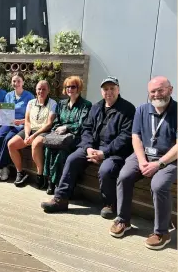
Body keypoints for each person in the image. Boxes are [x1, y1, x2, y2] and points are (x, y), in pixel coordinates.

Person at [41, 76, 135, 218]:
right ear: (101, 91)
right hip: (92, 148)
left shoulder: (128, 109)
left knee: (106, 169)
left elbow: (125, 137)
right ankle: (61, 198)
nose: (108, 92)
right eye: (105, 89)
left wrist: (104, 152)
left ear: (118, 89)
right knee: (72, 159)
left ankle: (109, 203)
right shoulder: (97, 107)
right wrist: (88, 147)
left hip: (113, 151)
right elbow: (87, 129)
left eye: (112, 88)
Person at [109, 76, 177, 250]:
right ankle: (123, 220)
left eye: (160, 90)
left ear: (170, 90)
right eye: (152, 91)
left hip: (169, 159)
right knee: (124, 175)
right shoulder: (141, 110)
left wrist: (159, 164)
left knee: (158, 185)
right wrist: (141, 160)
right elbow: (136, 137)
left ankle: (162, 232)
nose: (156, 94)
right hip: (144, 155)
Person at [43, 76, 92, 194]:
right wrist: (57, 129)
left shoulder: (86, 105)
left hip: (74, 137)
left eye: (73, 86)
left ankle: (59, 183)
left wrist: (66, 127)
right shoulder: (62, 103)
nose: (70, 89)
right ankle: (50, 181)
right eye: (68, 87)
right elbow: (56, 121)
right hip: (59, 135)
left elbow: (82, 124)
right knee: (48, 148)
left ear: (78, 88)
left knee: (61, 153)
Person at [7, 80, 57, 188]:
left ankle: (40, 174)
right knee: (11, 144)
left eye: (44, 89)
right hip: (30, 131)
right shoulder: (31, 103)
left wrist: (33, 136)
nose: (41, 91)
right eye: (39, 89)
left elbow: (49, 124)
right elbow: (28, 121)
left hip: (44, 131)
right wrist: (26, 134)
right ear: (36, 90)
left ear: (48, 90)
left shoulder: (53, 104)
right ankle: (20, 172)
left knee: (35, 144)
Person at [0, 72, 34, 182]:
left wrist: (22, 121)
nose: (16, 83)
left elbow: (32, 117)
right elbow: (4, 112)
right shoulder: (8, 95)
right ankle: (5, 168)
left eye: (18, 81)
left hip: (21, 125)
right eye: (14, 81)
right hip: (8, 122)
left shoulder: (29, 97)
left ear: (23, 82)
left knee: (7, 139)